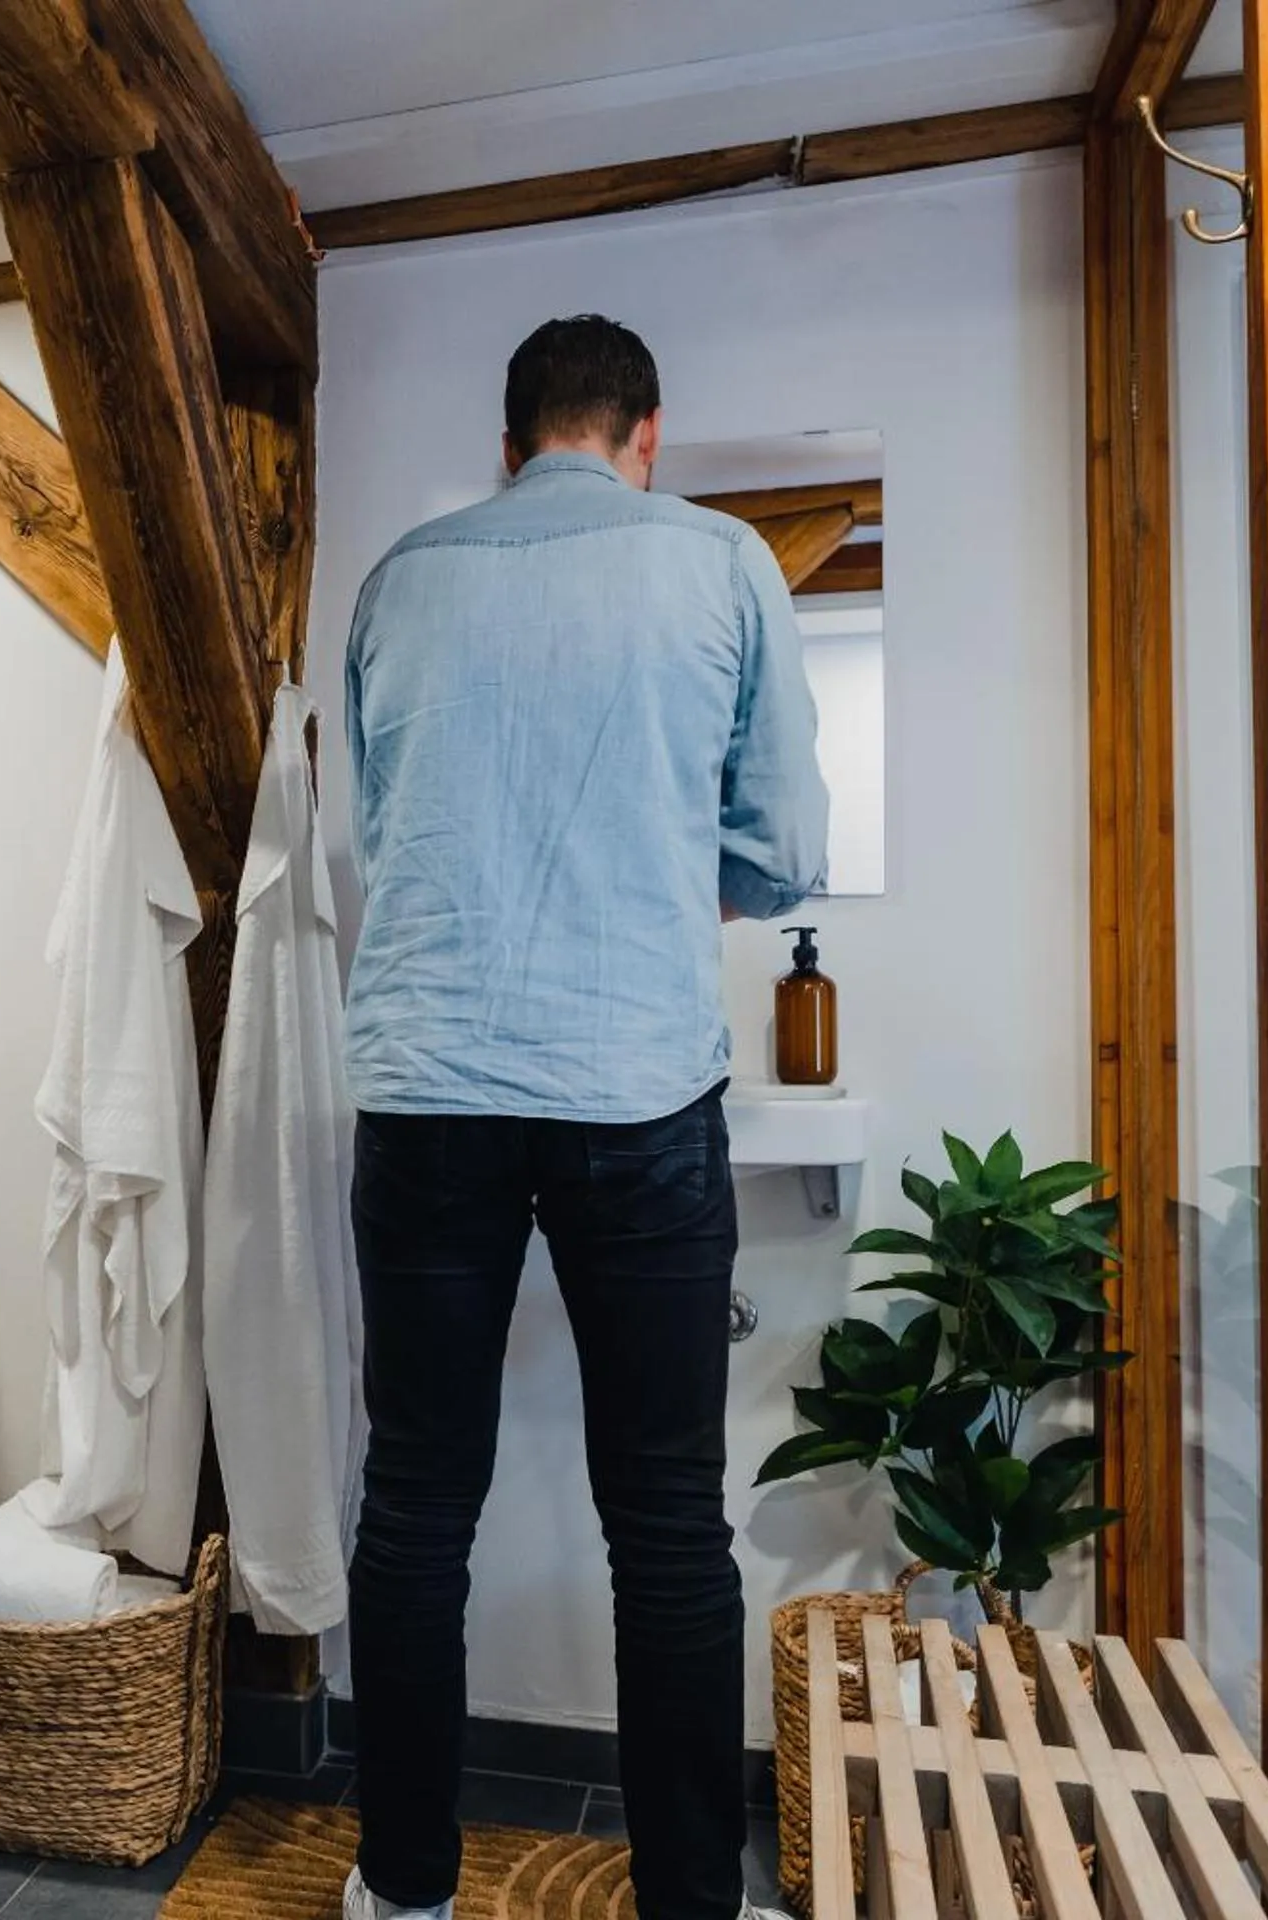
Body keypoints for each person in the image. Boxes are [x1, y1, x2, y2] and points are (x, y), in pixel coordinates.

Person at [338, 315, 827, 1920]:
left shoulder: (401, 579)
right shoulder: (723, 563)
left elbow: (386, 831)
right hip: (637, 1083)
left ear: (508, 444)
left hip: (426, 1084)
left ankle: (404, 1891)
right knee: (668, 1520)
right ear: (646, 437)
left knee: (416, 1504)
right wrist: (666, 875)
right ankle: (689, 1902)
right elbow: (785, 853)